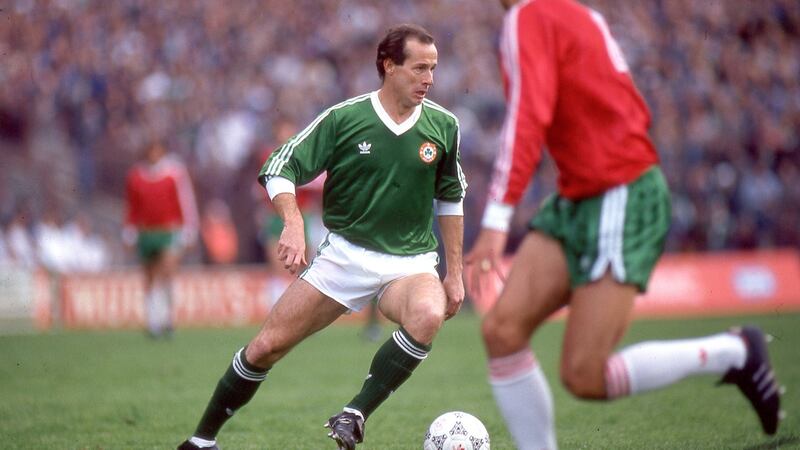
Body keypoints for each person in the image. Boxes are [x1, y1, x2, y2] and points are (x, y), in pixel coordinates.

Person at [464, 1, 783, 449]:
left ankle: (737, 353)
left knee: (585, 374)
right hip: (583, 195)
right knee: (502, 330)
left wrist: (497, 217)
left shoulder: (530, 15)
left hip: (620, 191)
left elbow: (527, 116)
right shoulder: (571, 13)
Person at [178, 24, 467, 450]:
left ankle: (354, 414)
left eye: (433, 69)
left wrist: (455, 273)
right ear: (388, 66)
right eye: (419, 68)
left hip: (411, 262)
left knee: (427, 315)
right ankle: (202, 440)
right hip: (344, 257)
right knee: (264, 348)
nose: (429, 79)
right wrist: (293, 222)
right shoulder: (345, 118)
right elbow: (280, 167)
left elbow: (451, 198)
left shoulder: (444, 126)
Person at [124, 141, 199, 338]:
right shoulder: (136, 176)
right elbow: (132, 206)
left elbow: (186, 201)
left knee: (168, 272)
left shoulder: (174, 173)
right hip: (147, 232)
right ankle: (152, 321)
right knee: (150, 276)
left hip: (169, 230)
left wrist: (189, 229)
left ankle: (168, 319)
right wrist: (129, 231)